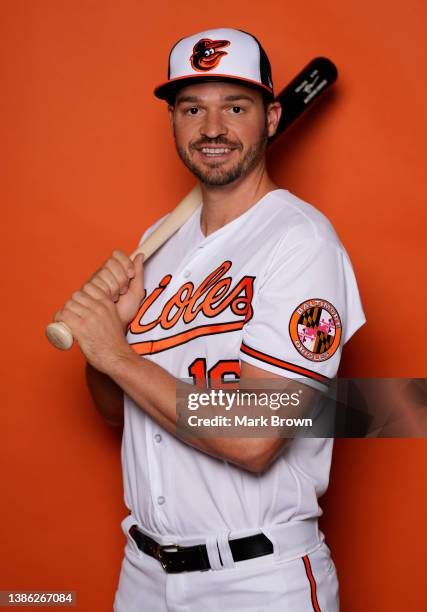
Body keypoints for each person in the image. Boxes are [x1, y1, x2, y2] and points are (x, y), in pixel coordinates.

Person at [55, 27, 366, 611]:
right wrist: (107, 343)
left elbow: (254, 435)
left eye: (236, 107)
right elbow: (116, 411)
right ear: (173, 121)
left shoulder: (301, 242)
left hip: (256, 580)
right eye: (192, 108)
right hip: (144, 573)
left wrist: (117, 352)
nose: (213, 129)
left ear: (272, 118)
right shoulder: (160, 243)